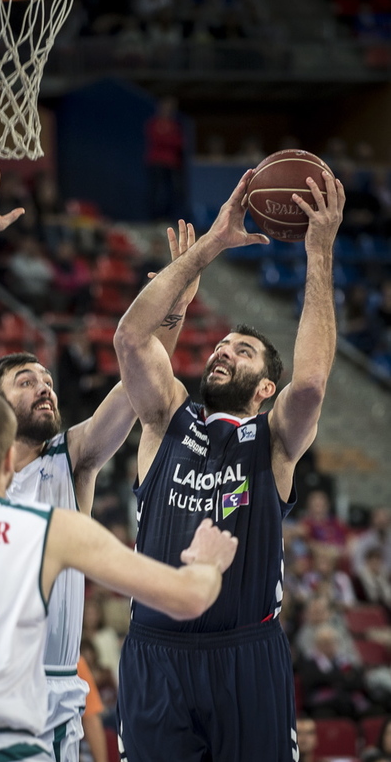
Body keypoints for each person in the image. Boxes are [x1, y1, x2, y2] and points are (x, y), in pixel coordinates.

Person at [0, 159, 199, 762]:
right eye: (25, 380)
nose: (44, 386)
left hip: (51, 692)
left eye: (47, 379)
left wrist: (173, 306)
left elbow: (139, 389)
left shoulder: (73, 458)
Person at [0, 388, 239, 760]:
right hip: (0, 744)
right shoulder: (48, 529)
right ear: (9, 459)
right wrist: (207, 563)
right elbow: (188, 598)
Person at [113, 167, 345, 761]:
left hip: (247, 651)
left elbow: (313, 381)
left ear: (266, 387)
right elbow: (131, 340)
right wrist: (208, 249)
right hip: (157, 652)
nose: (222, 352)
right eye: (219, 347)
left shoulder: (272, 441)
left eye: (241, 352)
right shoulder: (166, 418)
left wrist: (318, 256)